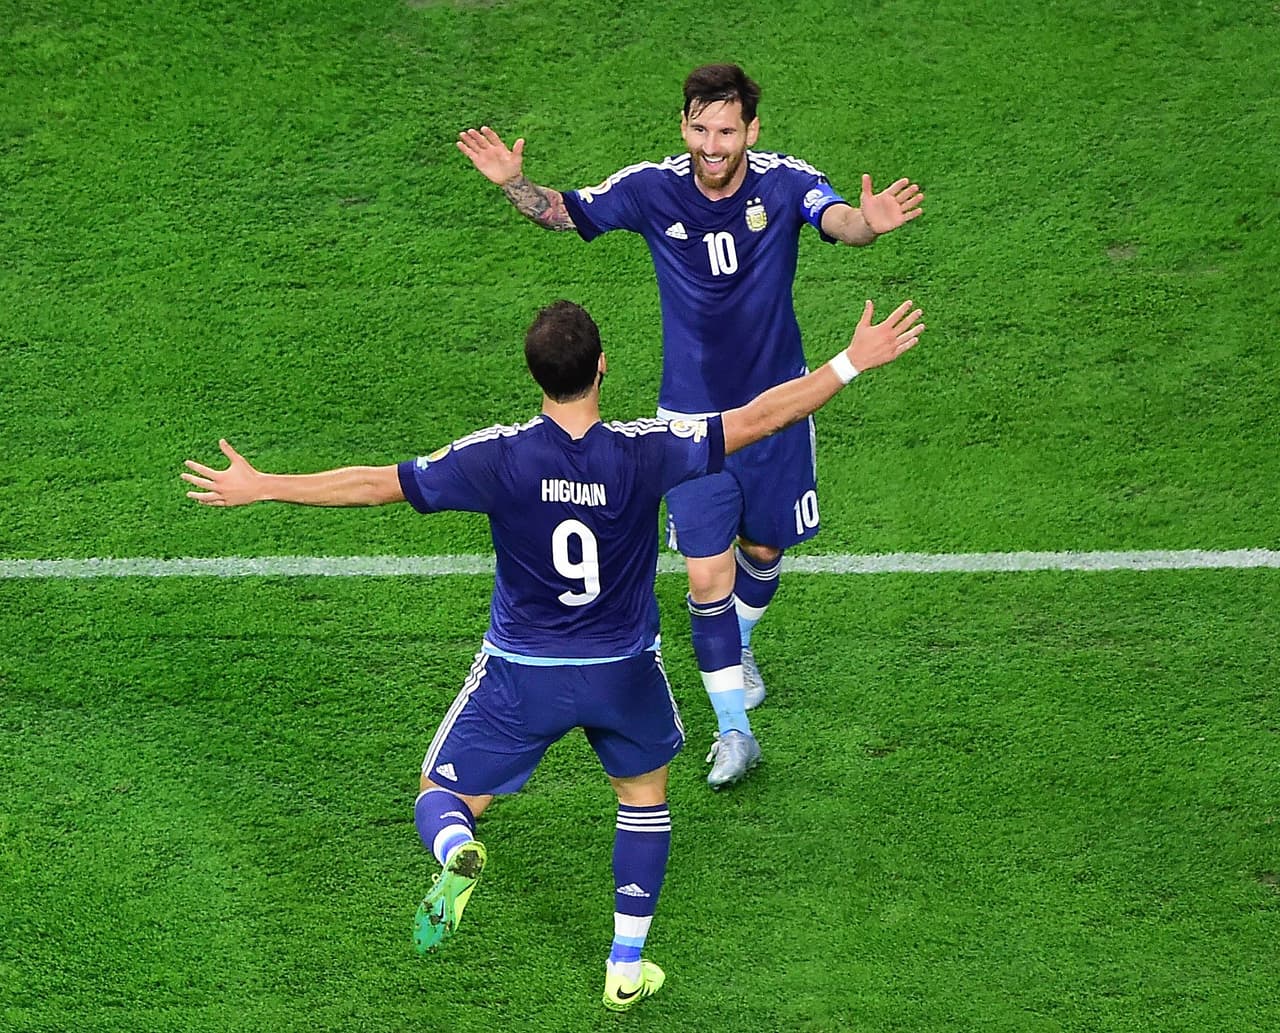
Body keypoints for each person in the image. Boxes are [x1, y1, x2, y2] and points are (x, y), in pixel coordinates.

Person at [181, 295, 923, 1010]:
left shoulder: (495, 458)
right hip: (623, 671)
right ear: (603, 366)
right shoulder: (647, 451)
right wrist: (851, 362)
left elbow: (375, 486)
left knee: (441, 795)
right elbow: (760, 418)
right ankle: (624, 969)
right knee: (642, 800)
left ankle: (455, 854)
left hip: (521, 674)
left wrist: (262, 485)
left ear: (535, 375)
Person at [457, 63, 924, 788]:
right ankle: (735, 731)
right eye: (701, 128)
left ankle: (736, 645)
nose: (713, 143)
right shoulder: (652, 187)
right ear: (684, 126)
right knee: (708, 575)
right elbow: (565, 212)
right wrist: (514, 183)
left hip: (780, 410)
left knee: (764, 550)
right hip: (692, 423)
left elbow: (839, 219)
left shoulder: (784, 180)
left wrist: (870, 224)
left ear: (751, 131)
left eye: (727, 130)